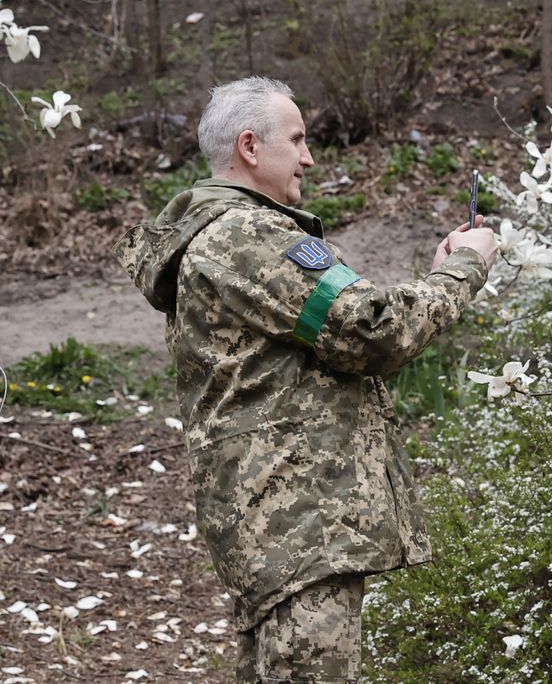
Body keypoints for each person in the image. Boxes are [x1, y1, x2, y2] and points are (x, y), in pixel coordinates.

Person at [114, 76, 497, 683]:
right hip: (299, 524)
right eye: (297, 139)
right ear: (249, 146)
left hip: (278, 523)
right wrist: (467, 267)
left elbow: (339, 326)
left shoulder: (228, 237)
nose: (309, 157)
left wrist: (434, 275)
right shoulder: (247, 236)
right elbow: (374, 332)